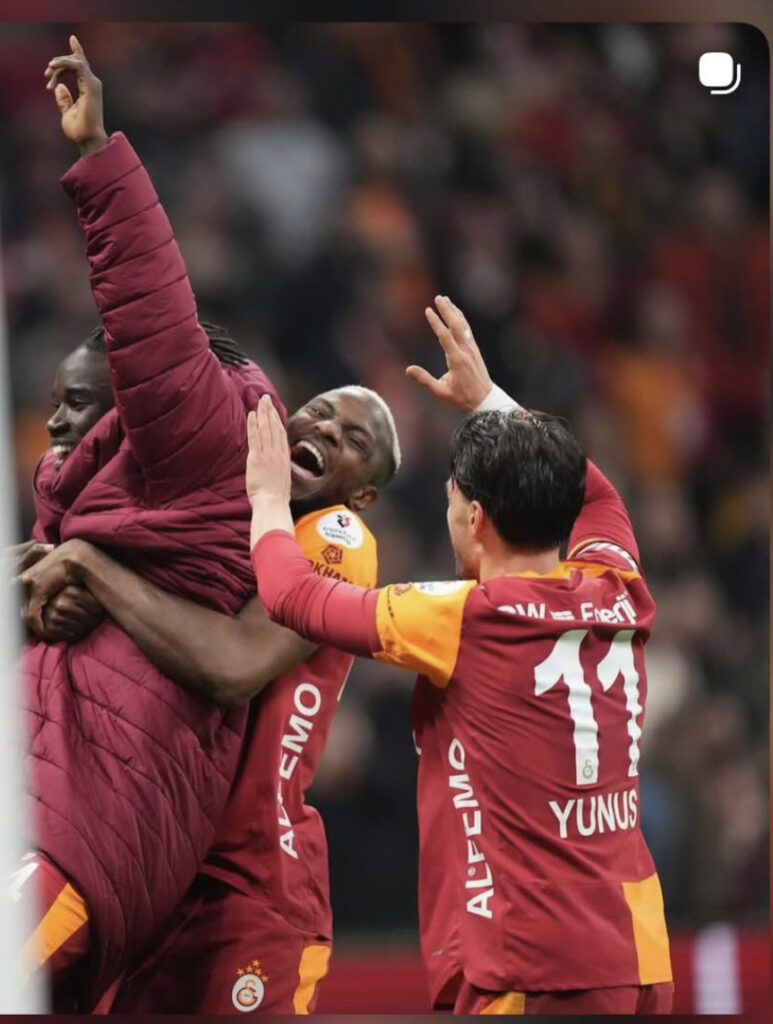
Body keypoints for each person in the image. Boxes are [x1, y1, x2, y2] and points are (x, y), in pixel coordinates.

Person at [242, 295, 674, 1015]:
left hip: (534, 966)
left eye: (449, 504)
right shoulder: (617, 583)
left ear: (475, 517)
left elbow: (294, 596)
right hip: (636, 952)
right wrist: (490, 402)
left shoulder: (464, 619)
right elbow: (596, 494)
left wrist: (265, 497)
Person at [14, 37, 285, 1009]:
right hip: (47, 827)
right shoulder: (95, 525)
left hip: (79, 845)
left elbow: (153, 322)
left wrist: (97, 157)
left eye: (80, 402)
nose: (55, 424)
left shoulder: (199, 445)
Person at [23, 378, 400, 1016]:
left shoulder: (338, 535)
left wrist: (88, 565)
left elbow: (232, 666)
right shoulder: (225, 526)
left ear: (363, 494)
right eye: (318, 412)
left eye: (354, 439)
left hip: (251, 883)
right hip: (160, 865)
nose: (328, 430)